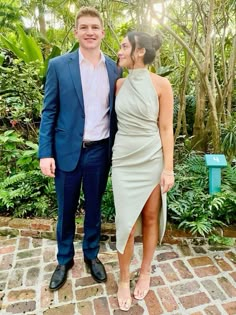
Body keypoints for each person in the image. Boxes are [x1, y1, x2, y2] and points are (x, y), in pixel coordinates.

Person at [38, 7, 121, 291]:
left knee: (95, 208)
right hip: (66, 151)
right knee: (66, 209)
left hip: (100, 151)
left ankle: (91, 255)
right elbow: (49, 111)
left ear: (102, 32)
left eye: (94, 27)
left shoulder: (114, 68)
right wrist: (45, 152)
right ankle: (64, 259)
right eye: (84, 27)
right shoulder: (59, 65)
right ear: (76, 32)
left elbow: (118, 114)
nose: (89, 32)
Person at [112, 31, 174, 311]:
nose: (120, 50)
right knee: (125, 221)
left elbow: (165, 129)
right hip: (124, 159)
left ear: (139, 52)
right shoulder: (119, 84)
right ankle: (124, 278)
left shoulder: (162, 85)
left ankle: (145, 270)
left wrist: (168, 169)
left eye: (125, 46)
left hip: (151, 157)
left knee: (150, 217)